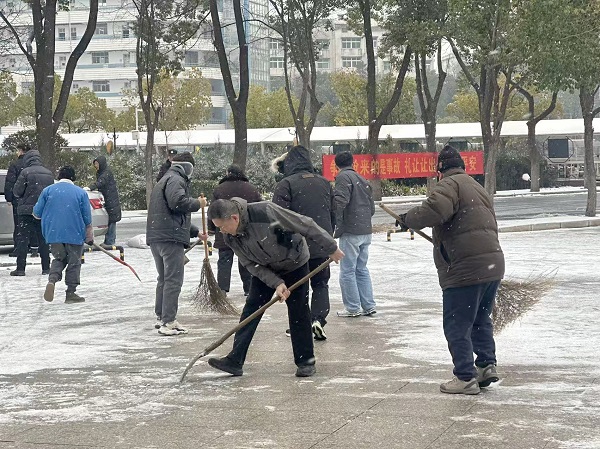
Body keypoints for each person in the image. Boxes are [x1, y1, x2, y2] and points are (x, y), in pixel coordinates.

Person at [397, 145, 505, 395]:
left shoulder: (448, 184)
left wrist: (407, 219)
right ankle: (486, 365)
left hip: (465, 268)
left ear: (440, 171)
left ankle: (465, 377)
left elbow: (434, 210)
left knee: (457, 324)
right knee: (480, 319)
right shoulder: (477, 187)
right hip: (491, 264)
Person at [206, 198, 344, 378]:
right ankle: (235, 360)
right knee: (251, 309)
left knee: (298, 310)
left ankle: (306, 362)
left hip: (294, 262)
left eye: (222, 226)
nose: (221, 231)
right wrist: (276, 282)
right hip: (265, 268)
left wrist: (331, 247)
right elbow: (249, 264)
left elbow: (305, 224)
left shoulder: (266, 212)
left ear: (234, 218)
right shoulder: (230, 237)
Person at [272, 145, 335, 341]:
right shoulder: (324, 182)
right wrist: (327, 238)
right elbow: (333, 213)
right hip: (321, 243)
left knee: (299, 287)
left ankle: (302, 325)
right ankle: (318, 319)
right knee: (321, 283)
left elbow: (277, 218)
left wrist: (281, 244)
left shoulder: (286, 184)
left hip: (297, 247)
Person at [146, 152, 207, 336]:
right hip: (170, 239)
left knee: (164, 279)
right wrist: (198, 203)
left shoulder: (164, 179)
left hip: (158, 237)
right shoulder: (176, 179)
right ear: (187, 166)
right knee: (173, 280)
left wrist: (195, 232)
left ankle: (161, 316)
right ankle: (169, 321)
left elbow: (169, 214)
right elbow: (177, 203)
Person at [33, 166, 93, 304]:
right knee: (74, 262)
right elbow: (87, 218)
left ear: (59, 176)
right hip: (74, 233)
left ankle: (52, 280)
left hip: (53, 233)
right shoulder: (80, 193)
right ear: (73, 178)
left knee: (59, 258)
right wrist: (89, 236)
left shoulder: (47, 191)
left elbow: (36, 213)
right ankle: (70, 292)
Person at [333, 151, 376, 317]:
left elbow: (339, 202)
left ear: (336, 165)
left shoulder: (343, 178)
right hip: (365, 230)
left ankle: (352, 308)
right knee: (361, 269)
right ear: (353, 163)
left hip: (351, 230)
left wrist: (335, 221)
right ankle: (368, 305)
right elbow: (371, 208)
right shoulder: (362, 179)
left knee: (347, 270)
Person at [208, 164, 262, 296]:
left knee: (224, 260)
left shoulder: (220, 189)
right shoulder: (251, 188)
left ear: (228, 173)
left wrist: (211, 228)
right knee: (245, 259)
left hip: (224, 229)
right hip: (246, 229)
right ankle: (248, 288)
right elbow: (258, 208)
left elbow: (213, 210)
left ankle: (222, 289)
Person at [11, 149, 53, 276]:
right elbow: (50, 193)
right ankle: (46, 267)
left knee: (23, 239)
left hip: (25, 211)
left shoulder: (25, 172)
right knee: (43, 239)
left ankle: (20, 269)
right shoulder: (48, 173)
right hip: (42, 211)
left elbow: (17, 191)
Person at [89, 155, 121, 247]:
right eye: (95, 164)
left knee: (111, 220)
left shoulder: (106, 173)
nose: (96, 166)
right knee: (110, 219)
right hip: (108, 199)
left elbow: (101, 182)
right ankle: (109, 240)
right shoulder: (101, 172)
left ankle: (110, 241)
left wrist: (91, 187)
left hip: (111, 199)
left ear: (101, 164)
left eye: (97, 164)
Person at [4, 143, 30, 257]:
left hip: (19, 200)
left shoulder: (15, 165)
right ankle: (34, 246)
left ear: (20, 151)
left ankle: (19, 248)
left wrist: (9, 198)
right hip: (32, 199)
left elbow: (10, 182)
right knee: (33, 224)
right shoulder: (33, 165)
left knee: (19, 225)